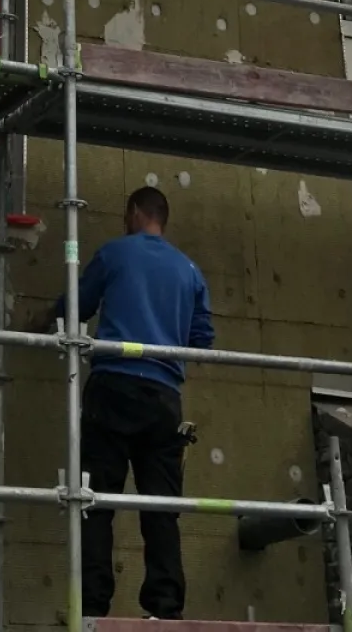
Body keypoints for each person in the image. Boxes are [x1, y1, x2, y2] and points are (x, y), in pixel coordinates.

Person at [34, 184, 213, 621]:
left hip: (113, 387)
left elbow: (75, 307)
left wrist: (41, 323)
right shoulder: (189, 271)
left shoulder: (115, 254)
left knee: (95, 503)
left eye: (124, 214)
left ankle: (93, 607)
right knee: (161, 509)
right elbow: (203, 340)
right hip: (163, 398)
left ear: (135, 212)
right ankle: (165, 609)